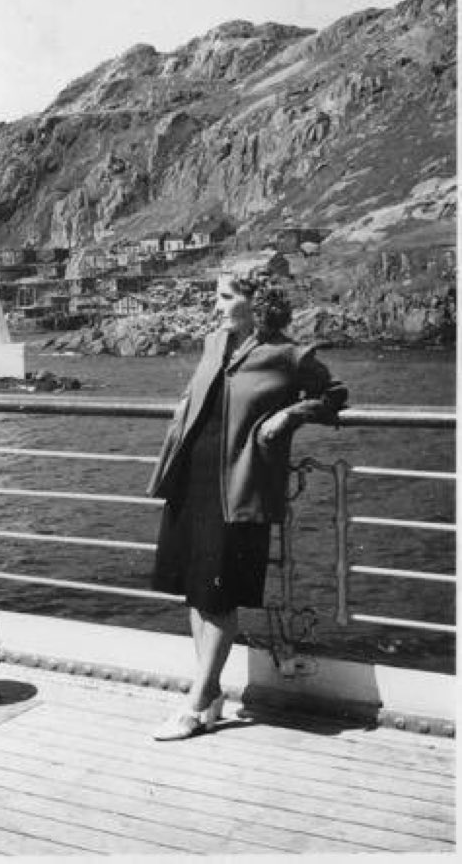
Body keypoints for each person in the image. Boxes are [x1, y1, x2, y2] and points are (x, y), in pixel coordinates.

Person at [148, 272, 348, 741]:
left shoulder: (289, 355)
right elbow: (198, 398)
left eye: (224, 296)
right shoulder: (214, 342)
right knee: (195, 589)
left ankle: (197, 702)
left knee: (218, 594)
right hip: (190, 480)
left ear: (255, 304)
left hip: (239, 488)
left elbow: (334, 394)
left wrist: (289, 414)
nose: (214, 304)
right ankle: (209, 691)